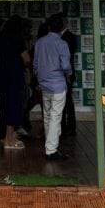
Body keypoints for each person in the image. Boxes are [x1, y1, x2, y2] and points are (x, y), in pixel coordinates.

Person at [33, 12, 72, 161]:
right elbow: (66, 65)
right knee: (55, 117)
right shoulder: (62, 44)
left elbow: (35, 64)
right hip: (58, 84)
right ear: (62, 27)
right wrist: (68, 74)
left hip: (44, 84)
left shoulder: (40, 42)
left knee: (48, 116)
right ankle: (51, 149)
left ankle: (49, 146)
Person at [0, 15, 30, 149]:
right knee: (14, 105)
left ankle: (4, 137)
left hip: (3, 74)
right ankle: (10, 139)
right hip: (15, 75)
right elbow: (26, 59)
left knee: (5, 105)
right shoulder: (18, 39)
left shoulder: (1, 38)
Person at [58, 15, 79, 136]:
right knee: (63, 102)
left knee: (67, 102)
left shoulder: (69, 37)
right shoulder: (60, 37)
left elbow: (68, 56)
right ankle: (64, 126)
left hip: (67, 74)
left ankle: (70, 127)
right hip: (60, 75)